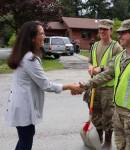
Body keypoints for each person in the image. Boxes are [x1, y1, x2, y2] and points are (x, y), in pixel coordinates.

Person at [6, 21, 82, 150]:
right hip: (24, 107)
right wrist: (69, 86)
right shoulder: (30, 59)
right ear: (32, 38)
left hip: (21, 105)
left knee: (25, 137)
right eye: (41, 33)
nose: (44, 36)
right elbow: (46, 85)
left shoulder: (23, 56)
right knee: (26, 140)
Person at [80, 19, 130, 150]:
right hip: (118, 115)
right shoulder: (120, 57)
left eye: (123, 33)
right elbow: (106, 75)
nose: (119, 36)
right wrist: (85, 85)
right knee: (120, 147)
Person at [87, 19, 122, 149]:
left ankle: (107, 142)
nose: (102, 31)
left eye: (105, 29)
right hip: (95, 86)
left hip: (108, 87)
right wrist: (90, 67)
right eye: (100, 29)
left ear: (110, 31)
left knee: (108, 115)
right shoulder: (95, 45)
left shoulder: (116, 47)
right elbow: (90, 61)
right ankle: (99, 137)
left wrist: (99, 69)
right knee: (95, 113)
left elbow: (115, 67)